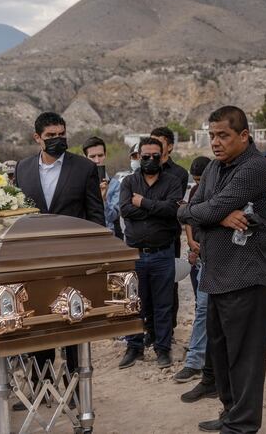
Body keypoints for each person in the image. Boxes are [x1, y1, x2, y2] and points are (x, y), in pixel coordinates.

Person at [177, 106, 266, 433]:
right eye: (212, 136)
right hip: (217, 276)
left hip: (246, 277)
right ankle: (230, 412)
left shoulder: (255, 168)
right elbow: (188, 212)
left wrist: (205, 214)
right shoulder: (214, 169)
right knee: (220, 355)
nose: (216, 143)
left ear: (244, 136)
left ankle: (243, 424)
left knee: (244, 359)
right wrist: (216, 217)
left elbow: (202, 209)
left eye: (223, 135)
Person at [13, 112, 104, 410]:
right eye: (51, 136)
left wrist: (95, 257)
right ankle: (41, 387)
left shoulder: (85, 168)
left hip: (74, 262)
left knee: (74, 324)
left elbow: (95, 216)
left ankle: (76, 390)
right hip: (34, 263)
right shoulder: (23, 169)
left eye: (61, 134)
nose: (57, 140)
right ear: (37, 138)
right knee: (39, 326)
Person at [118, 137, 182, 369]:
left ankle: (162, 349)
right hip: (135, 254)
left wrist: (143, 203)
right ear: (139, 156)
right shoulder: (128, 182)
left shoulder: (173, 182)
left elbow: (172, 211)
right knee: (135, 304)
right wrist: (156, 209)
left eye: (156, 155)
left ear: (163, 156)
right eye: (146, 156)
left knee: (163, 304)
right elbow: (125, 210)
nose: (151, 160)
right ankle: (134, 347)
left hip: (162, 254)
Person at [174, 156, 212, 384]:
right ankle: (194, 361)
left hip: (223, 258)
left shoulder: (226, 190)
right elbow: (188, 217)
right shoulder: (197, 190)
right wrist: (191, 242)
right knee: (202, 308)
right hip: (204, 258)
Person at [150, 127, 189, 338]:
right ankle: (150, 330)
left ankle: (169, 330)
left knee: (169, 284)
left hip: (169, 237)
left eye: (158, 141)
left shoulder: (179, 174)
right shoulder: (142, 170)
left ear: (170, 146)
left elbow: (171, 206)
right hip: (145, 237)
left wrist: (146, 204)